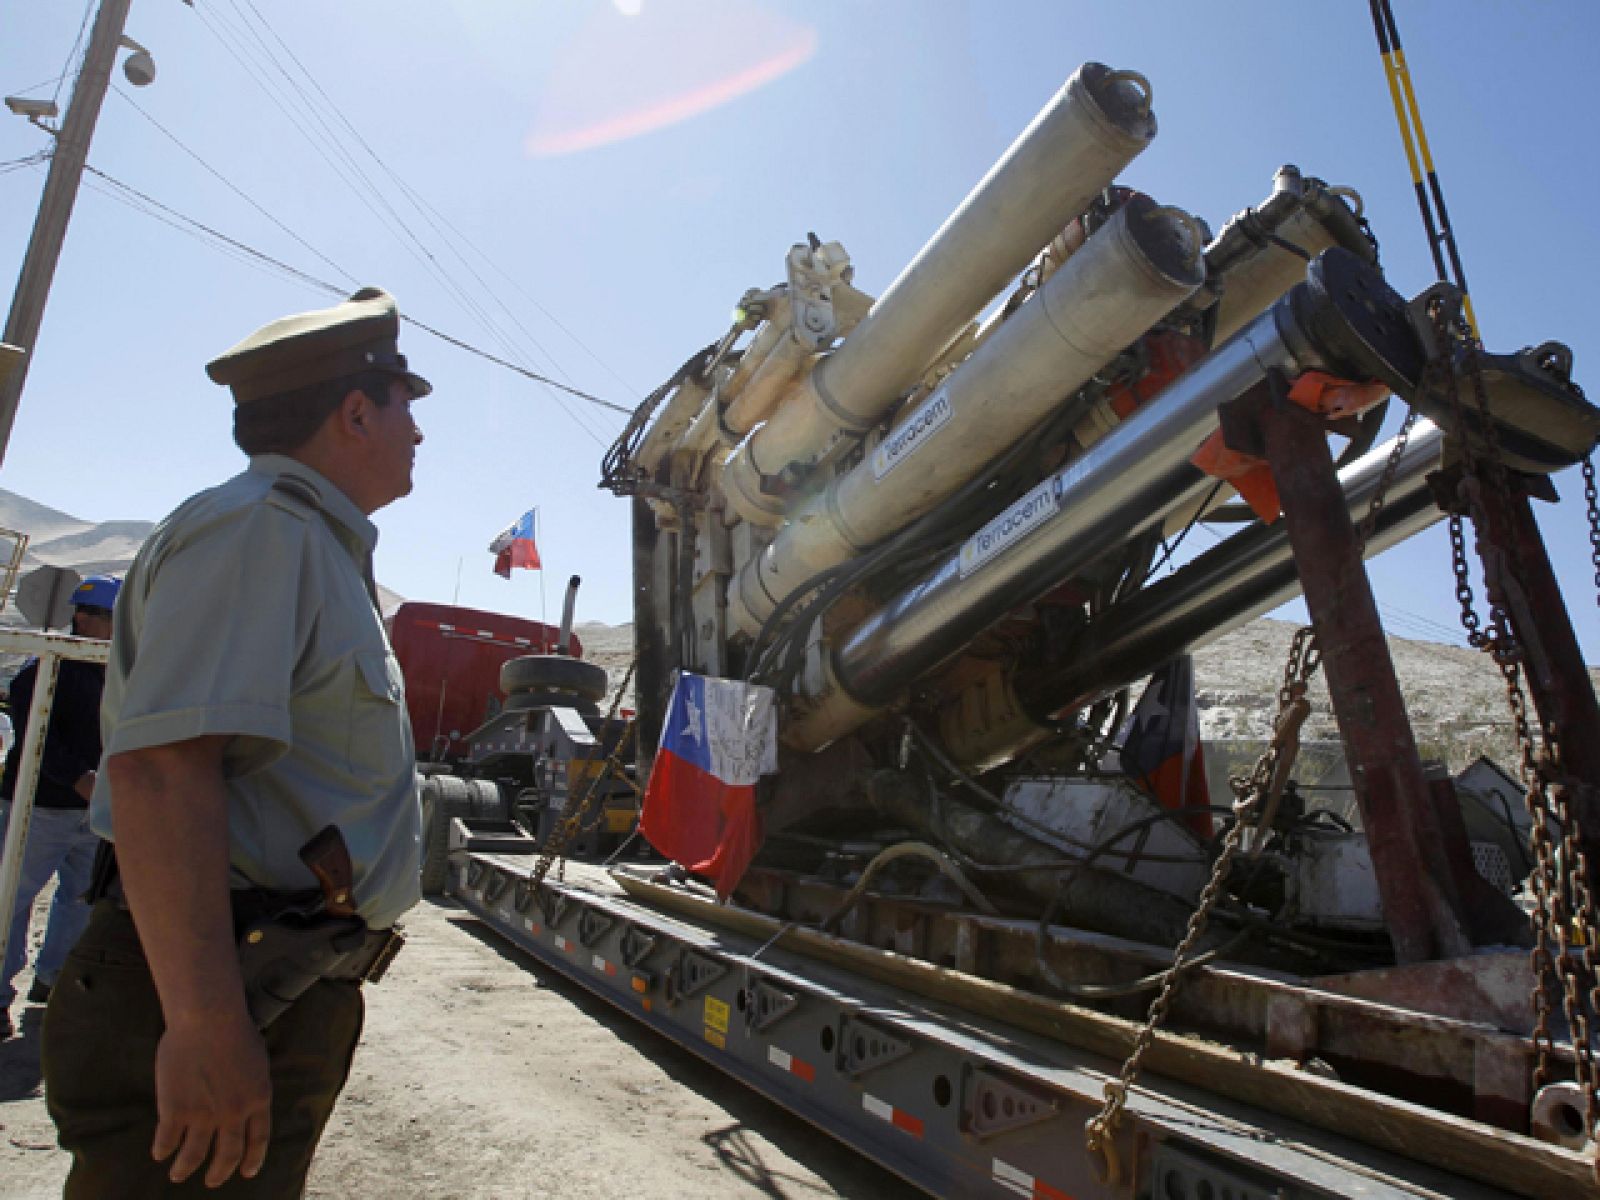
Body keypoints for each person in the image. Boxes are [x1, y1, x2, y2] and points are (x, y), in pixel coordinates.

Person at [43, 286, 429, 1196]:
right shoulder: (261, 530)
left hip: (267, 980)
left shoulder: (313, 546)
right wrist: (207, 1023)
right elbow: (166, 772)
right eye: (407, 404)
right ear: (357, 411)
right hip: (220, 980)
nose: (420, 431)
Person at [0, 575, 119, 1041]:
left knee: (79, 902)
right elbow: (37, 740)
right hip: (39, 806)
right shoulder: (43, 670)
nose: (110, 627)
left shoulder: (115, 672)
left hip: (92, 813)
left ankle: (56, 987)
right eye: (106, 617)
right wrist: (77, 778)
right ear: (82, 616)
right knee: (12, 900)